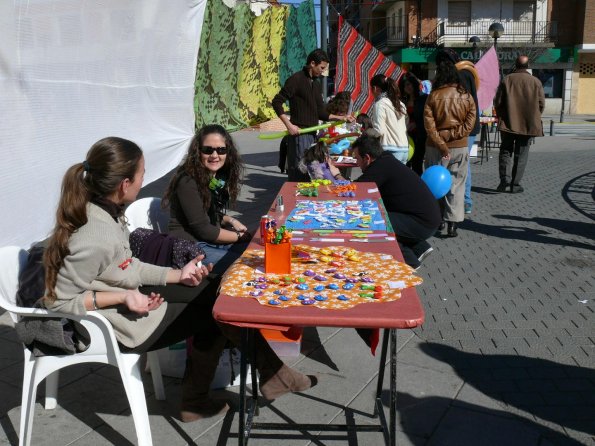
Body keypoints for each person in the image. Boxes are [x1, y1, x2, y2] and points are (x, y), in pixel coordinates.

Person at [43, 136, 315, 423]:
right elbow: (57, 302)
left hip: (130, 303)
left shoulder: (107, 214)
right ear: (124, 184)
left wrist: (177, 275)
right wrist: (122, 297)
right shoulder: (94, 235)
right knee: (218, 312)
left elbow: (126, 267)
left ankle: (258, 379)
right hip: (118, 328)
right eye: (141, 174)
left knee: (216, 292)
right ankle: (226, 390)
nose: (143, 179)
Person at [163, 125, 252, 276]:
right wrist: (242, 236)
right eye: (208, 150)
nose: (215, 155)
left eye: (221, 150)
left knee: (256, 253)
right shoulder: (187, 180)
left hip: (207, 241)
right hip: (190, 244)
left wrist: (230, 220)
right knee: (245, 267)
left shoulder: (213, 176)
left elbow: (205, 212)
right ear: (198, 151)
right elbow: (203, 229)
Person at [352, 134, 441, 269]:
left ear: (367, 158)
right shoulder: (385, 160)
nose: (356, 163)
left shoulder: (380, 167)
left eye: (357, 159)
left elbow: (355, 190)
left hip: (423, 223)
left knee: (374, 224)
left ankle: (410, 262)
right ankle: (419, 247)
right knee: (379, 213)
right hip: (427, 217)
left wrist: (335, 174)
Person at [272, 49, 354, 181]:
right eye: (321, 67)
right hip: (299, 134)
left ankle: (305, 199)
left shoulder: (315, 84)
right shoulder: (296, 80)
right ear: (312, 63)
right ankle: (295, 199)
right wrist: (289, 125)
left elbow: (321, 113)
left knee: (310, 171)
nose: (323, 71)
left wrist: (341, 118)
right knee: (300, 171)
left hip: (312, 135)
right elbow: (276, 102)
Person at [424, 59, 476, 237]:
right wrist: (452, 135)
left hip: (434, 147)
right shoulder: (466, 96)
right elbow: (470, 123)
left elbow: (429, 126)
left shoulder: (433, 96)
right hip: (459, 147)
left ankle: (438, 220)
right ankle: (453, 223)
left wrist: (441, 140)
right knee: (457, 185)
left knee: (435, 185)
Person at [435, 48, 481, 214]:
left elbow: (463, 105)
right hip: (467, 127)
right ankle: (461, 201)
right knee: (461, 164)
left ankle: (464, 201)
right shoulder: (468, 74)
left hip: (461, 129)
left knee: (460, 166)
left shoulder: (460, 76)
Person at [494, 55, 545, 193]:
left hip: (508, 123)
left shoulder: (507, 80)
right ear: (528, 66)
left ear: (515, 65)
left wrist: (502, 115)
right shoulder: (536, 82)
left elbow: (497, 102)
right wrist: (533, 116)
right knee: (521, 155)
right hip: (527, 124)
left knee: (505, 151)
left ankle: (504, 181)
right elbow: (541, 104)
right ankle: (515, 185)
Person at [369, 74, 410, 163]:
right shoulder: (400, 104)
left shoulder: (380, 104)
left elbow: (379, 130)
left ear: (375, 88)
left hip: (390, 149)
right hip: (404, 149)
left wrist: (367, 132)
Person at [399, 72, 428, 175]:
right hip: (405, 136)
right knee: (405, 163)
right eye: (404, 85)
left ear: (414, 84)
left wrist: (416, 123)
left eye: (409, 84)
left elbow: (427, 117)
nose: (407, 87)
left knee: (417, 163)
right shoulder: (401, 100)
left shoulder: (424, 98)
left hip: (419, 135)